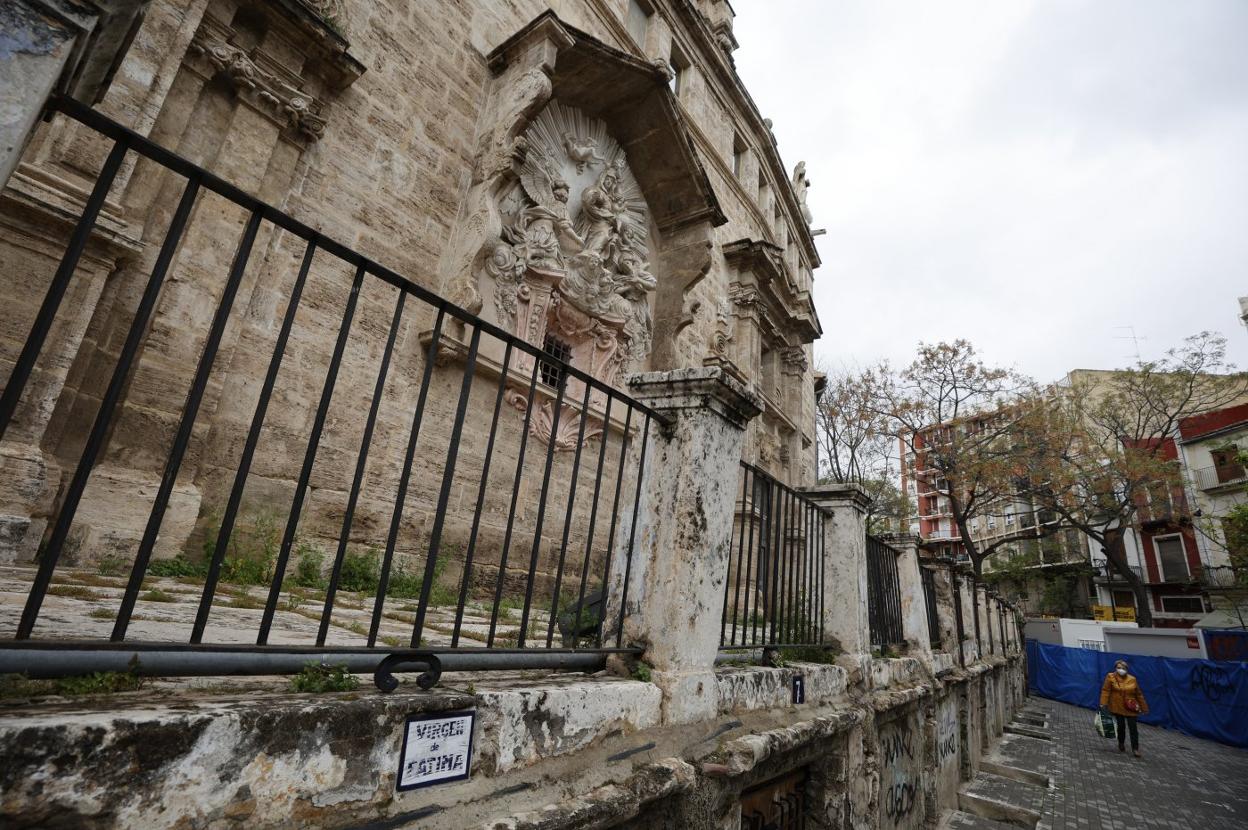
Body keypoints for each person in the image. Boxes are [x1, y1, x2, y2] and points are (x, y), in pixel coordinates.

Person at [1099, 659, 1149, 757]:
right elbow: (1105, 691)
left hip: (1130, 706)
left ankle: (1135, 748)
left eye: (1123, 668)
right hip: (1117, 706)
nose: (1121, 669)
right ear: (1115, 668)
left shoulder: (1132, 679)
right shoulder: (1110, 677)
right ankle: (1121, 743)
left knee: (1133, 728)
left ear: (1127, 669)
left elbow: (1138, 694)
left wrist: (1144, 707)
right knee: (1121, 727)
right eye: (1118, 668)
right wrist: (1103, 704)